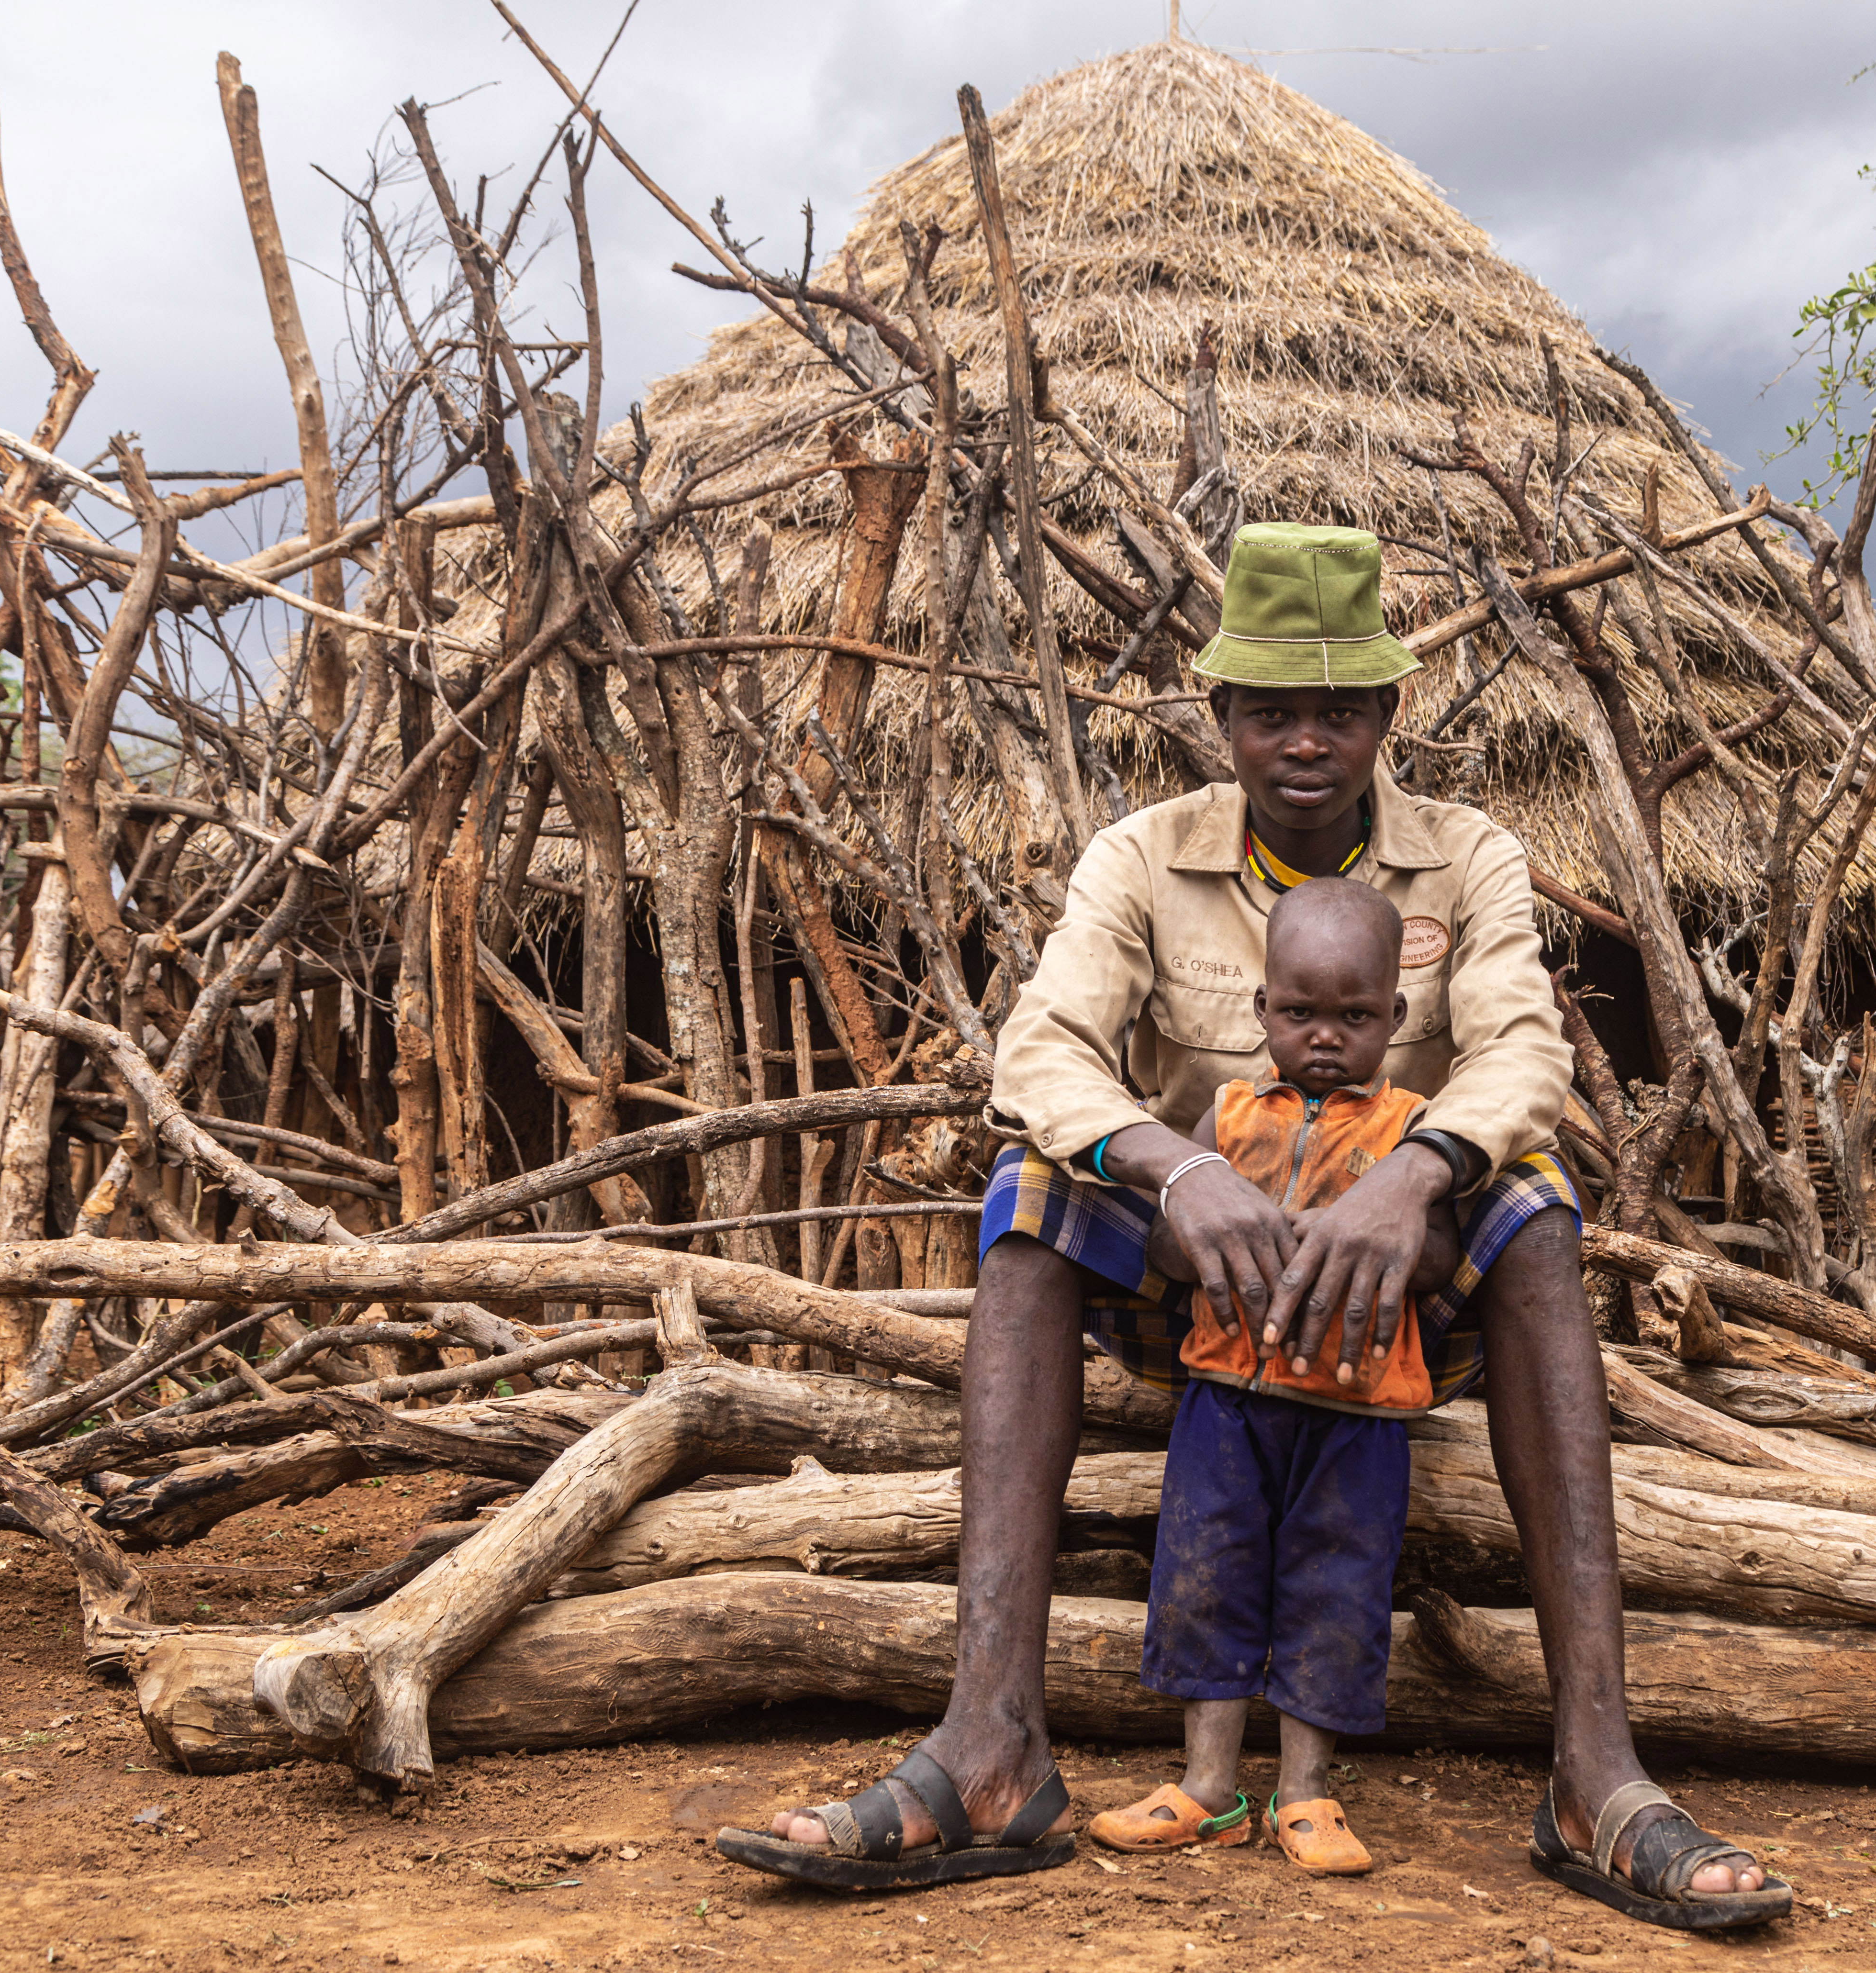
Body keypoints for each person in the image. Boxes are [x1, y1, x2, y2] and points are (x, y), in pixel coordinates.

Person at [718, 523, 1787, 1929]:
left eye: (1336, 710)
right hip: (1197, 1289)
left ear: (1388, 714)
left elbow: (1527, 1057)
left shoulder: (1468, 860)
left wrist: (1411, 1176)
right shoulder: (1139, 858)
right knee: (1028, 1195)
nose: (1303, 741)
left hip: (1394, 1301)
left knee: (1533, 1208)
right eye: (1270, 709)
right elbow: (1038, 1057)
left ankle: (1597, 1771)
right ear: (1218, 714)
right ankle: (989, 1745)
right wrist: (1173, 1171)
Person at [1087, 875, 1438, 1875]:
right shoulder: (1225, 1117)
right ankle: (1207, 1788)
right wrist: (1202, 1218)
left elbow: (1439, 1251)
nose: (1324, 1035)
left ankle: (1306, 1793)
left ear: (1397, 1016)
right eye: (1300, 1012)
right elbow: (1165, 1243)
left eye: (1355, 1014)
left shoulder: (1413, 1132)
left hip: (1357, 1413)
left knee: (1338, 1584)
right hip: (1223, 1402)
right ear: (1262, 1010)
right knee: (1207, 1575)